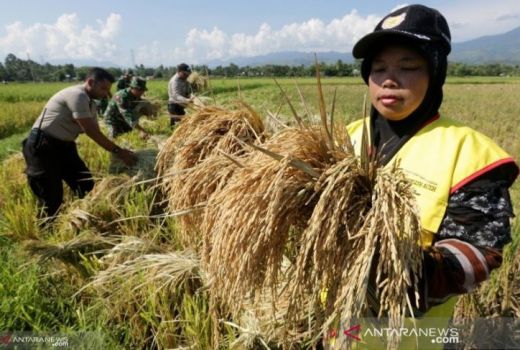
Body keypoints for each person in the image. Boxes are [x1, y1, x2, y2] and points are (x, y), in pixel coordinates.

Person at [344, 3, 519, 346]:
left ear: (435, 73)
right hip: (337, 331)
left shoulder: (468, 152)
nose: (389, 79)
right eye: (378, 68)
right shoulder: (342, 140)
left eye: (408, 66)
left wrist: (385, 275)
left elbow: (479, 253)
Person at [22, 67, 136, 220]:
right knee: (51, 196)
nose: (105, 93)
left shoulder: (91, 104)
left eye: (107, 89)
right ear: (90, 82)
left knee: (85, 185)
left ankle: (83, 219)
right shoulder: (77, 95)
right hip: (43, 146)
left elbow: (95, 129)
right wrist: (118, 151)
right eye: (102, 88)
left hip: (65, 147)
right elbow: (90, 130)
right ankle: (46, 234)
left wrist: (120, 146)